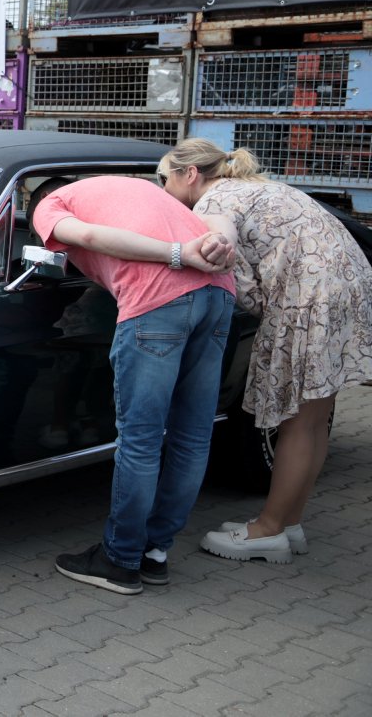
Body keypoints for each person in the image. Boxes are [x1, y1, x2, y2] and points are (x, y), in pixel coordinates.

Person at [158, 139, 372, 564]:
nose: (161, 189)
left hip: (308, 298)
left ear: (190, 174)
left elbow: (240, 284)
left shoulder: (211, 206)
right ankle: (289, 522)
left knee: (295, 422)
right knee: (314, 419)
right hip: (347, 288)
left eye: (163, 178)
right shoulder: (257, 185)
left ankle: (268, 530)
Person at [30, 175, 236, 594]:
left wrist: (177, 255)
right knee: (193, 437)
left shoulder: (51, 203)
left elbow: (87, 236)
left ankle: (119, 560)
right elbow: (220, 218)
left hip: (158, 298)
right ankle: (154, 554)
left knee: (141, 439)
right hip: (219, 294)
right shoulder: (140, 188)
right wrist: (216, 244)